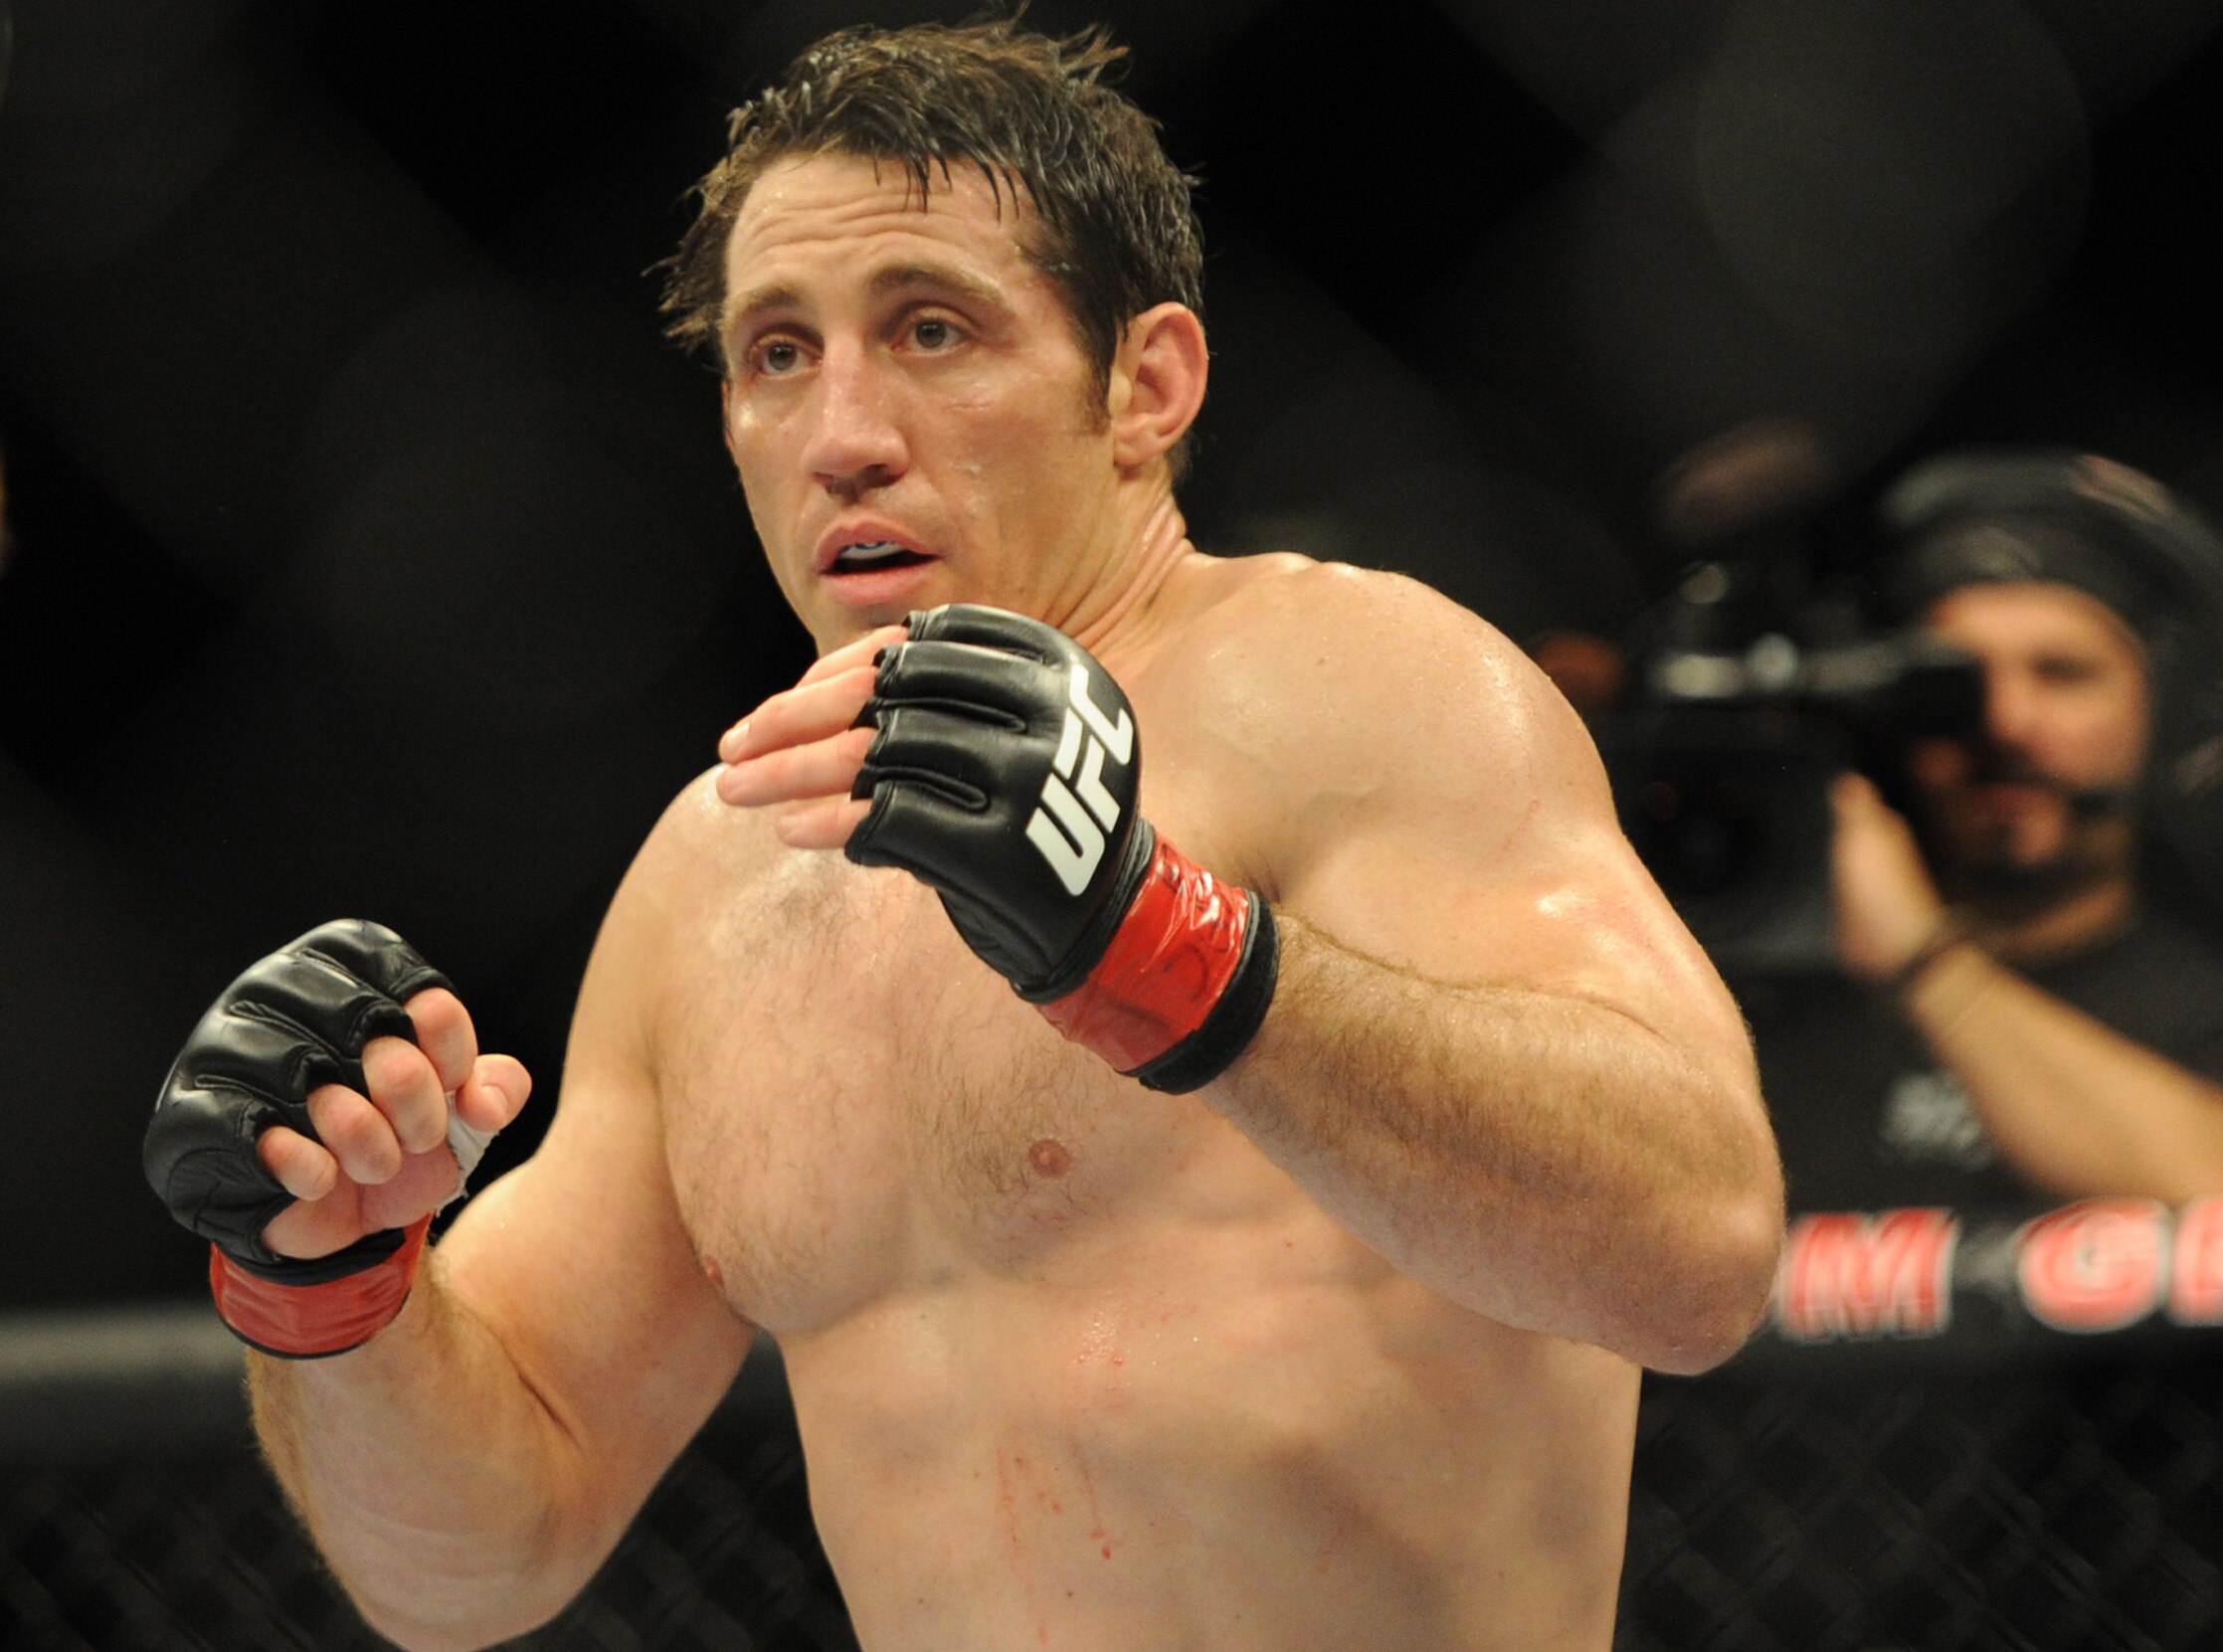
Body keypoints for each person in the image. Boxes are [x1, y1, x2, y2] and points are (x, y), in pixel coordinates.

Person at [140, 20, 1783, 1652]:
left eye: (931, 329)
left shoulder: (1357, 694)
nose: (845, 429)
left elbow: (1700, 1256)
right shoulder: (717, 874)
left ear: (1144, 386)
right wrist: (334, 1279)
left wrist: (1159, 946)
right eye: (778, 353)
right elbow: (469, 1567)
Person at [1746, 449, 2223, 1212]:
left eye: (2063, 673)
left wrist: (1924, 956)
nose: (2005, 723)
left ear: (2164, 716)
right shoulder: (1766, 1020)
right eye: (1958, 680)